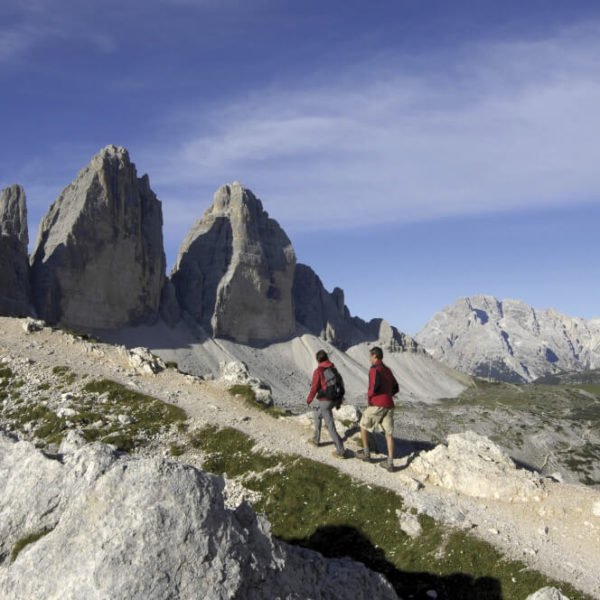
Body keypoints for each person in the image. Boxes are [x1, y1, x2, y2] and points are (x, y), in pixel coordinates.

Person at [356, 346, 399, 472]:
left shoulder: (375, 369)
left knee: (363, 425)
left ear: (375, 356)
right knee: (389, 434)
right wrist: (387, 395)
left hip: (377, 404)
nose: (369, 358)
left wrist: (370, 399)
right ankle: (390, 463)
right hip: (389, 404)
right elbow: (396, 387)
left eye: (370, 356)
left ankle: (366, 453)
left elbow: (373, 387)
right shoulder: (387, 369)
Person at [306, 349, 348, 459]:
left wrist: (309, 399)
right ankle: (316, 439)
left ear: (318, 360)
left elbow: (314, 387)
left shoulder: (318, 371)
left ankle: (340, 451)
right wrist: (339, 400)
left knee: (330, 426)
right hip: (334, 399)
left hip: (325, 401)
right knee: (316, 413)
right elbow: (340, 383)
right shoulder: (332, 369)